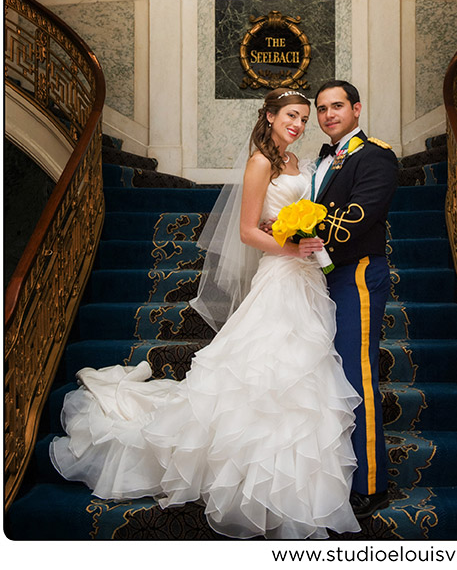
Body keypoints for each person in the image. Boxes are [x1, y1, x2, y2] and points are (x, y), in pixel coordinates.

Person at [50, 88, 362, 540]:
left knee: (304, 370)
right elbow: (248, 232)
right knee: (268, 368)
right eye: (290, 116)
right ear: (270, 117)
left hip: (307, 279)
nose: (298, 124)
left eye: (303, 118)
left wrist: (309, 241)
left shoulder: (301, 163)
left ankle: (295, 482)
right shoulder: (261, 163)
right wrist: (294, 246)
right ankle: (253, 475)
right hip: (280, 273)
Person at [313, 80, 398, 519]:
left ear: (357, 109)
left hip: (357, 273)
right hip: (322, 276)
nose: (329, 115)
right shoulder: (320, 161)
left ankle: (370, 483)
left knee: (356, 374)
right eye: (322, 108)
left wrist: (306, 230)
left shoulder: (376, 154)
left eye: (338, 106)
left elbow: (362, 214)